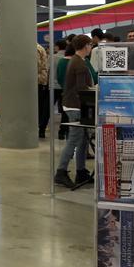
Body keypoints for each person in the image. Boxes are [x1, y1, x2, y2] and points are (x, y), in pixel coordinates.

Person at [54, 35, 94, 188]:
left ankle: (81, 171)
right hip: (75, 106)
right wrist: (95, 90)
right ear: (85, 46)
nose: (91, 47)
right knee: (74, 139)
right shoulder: (79, 63)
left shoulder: (77, 60)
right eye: (90, 45)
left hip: (75, 104)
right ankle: (61, 171)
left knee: (83, 139)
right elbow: (81, 88)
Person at [37, 43, 50, 138]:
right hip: (41, 79)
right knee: (40, 105)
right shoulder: (39, 48)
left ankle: (39, 128)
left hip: (38, 79)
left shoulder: (36, 49)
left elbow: (36, 65)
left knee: (38, 105)